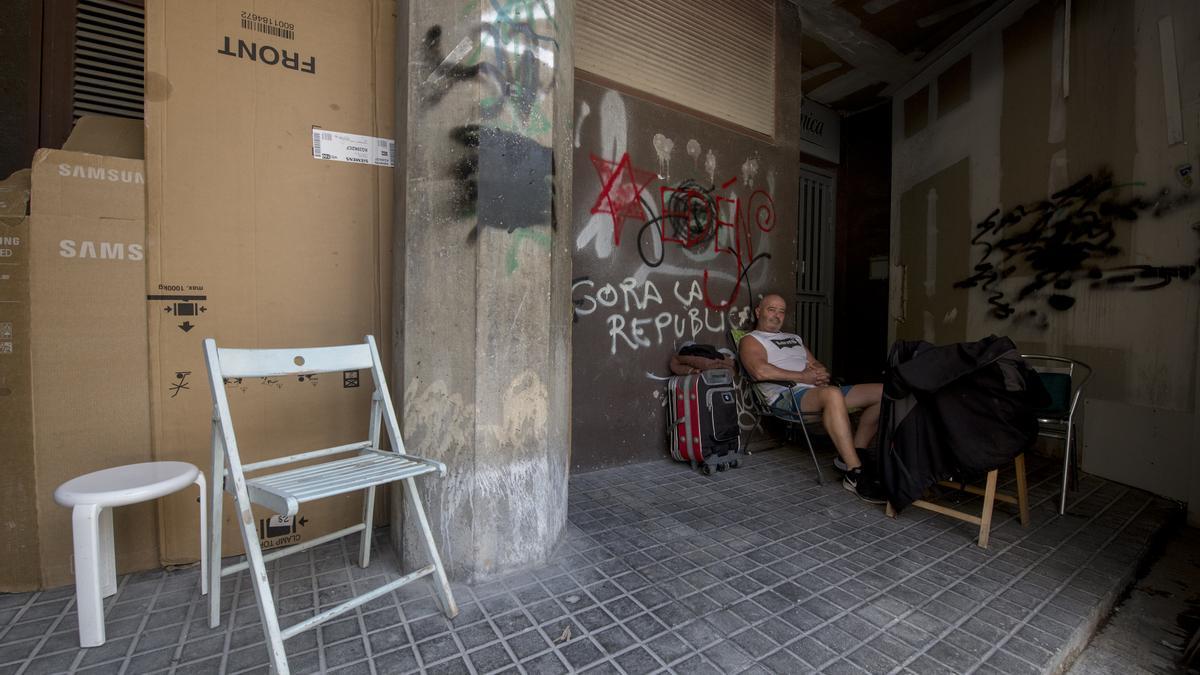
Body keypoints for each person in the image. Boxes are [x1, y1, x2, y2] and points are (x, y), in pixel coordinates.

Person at [738, 294, 887, 503]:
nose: (777, 315)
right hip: (786, 397)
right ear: (758, 311)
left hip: (817, 392)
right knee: (832, 394)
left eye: (781, 311)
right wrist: (803, 376)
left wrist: (820, 372)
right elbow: (760, 371)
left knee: (883, 392)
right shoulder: (751, 340)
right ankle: (855, 474)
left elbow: (815, 364)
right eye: (771, 309)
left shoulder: (794, 338)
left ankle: (854, 454)